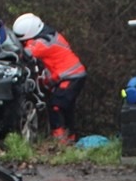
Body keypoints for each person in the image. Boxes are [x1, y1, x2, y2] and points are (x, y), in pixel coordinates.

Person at [12, 13, 86, 143]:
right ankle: (70, 137)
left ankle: (60, 139)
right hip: (72, 75)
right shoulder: (49, 35)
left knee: (56, 106)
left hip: (70, 77)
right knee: (67, 108)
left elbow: (26, 54)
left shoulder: (43, 42)